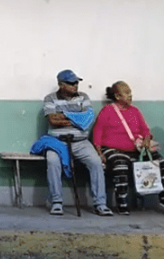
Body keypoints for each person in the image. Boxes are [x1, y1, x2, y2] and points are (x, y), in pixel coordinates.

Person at [92, 81, 164, 215]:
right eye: (126, 93)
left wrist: (146, 139)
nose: (130, 96)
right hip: (113, 149)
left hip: (135, 149)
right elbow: (98, 131)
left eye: (130, 93)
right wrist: (99, 152)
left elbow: (145, 130)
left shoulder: (135, 111)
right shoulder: (107, 110)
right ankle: (121, 202)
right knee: (120, 165)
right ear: (117, 96)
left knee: (159, 162)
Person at [36, 69, 113, 216]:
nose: (75, 86)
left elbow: (88, 119)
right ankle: (57, 202)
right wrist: (76, 119)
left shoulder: (83, 97)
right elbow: (52, 120)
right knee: (52, 162)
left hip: (81, 142)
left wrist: (63, 116)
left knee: (96, 162)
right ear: (61, 84)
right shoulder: (50, 98)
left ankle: (100, 204)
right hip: (57, 141)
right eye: (71, 83)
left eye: (76, 83)